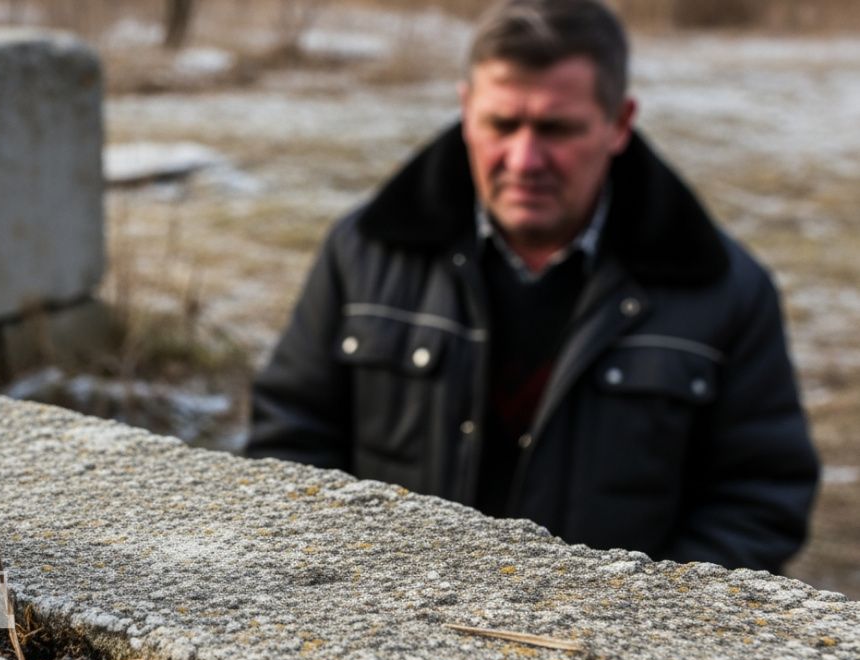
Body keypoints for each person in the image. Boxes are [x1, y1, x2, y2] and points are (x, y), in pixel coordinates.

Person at [246, 0, 819, 574]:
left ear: (619, 123)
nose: (524, 160)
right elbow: (290, 445)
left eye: (556, 129)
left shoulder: (723, 289)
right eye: (501, 124)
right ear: (466, 110)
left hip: (609, 651)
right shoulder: (363, 252)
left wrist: (646, 625)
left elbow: (760, 496)